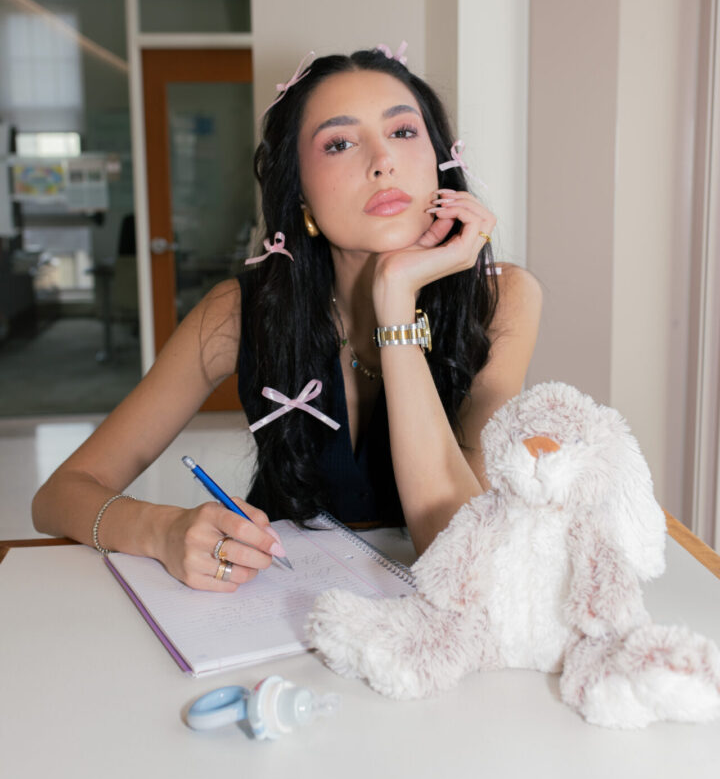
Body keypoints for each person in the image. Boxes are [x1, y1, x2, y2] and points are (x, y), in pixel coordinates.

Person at [33, 47, 541, 592]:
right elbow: (60, 495)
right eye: (339, 143)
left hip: (426, 629)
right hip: (272, 609)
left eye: (403, 132)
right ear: (299, 191)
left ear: (440, 160)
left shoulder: (500, 298)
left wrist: (396, 294)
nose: (382, 161)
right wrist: (162, 530)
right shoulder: (238, 312)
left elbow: (460, 553)